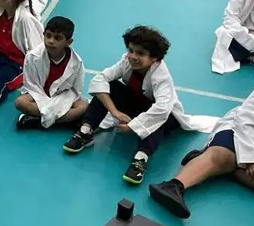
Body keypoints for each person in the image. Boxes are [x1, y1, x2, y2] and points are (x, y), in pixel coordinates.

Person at [149, 50, 254, 219]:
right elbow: (245, 118)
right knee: (221, 155)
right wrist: (251, 158)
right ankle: (173, 186)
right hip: (246, 134)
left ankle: (216, 165)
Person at [62, 26, 217, 185]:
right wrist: (114, 111)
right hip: (138, 105)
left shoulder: (161, 75)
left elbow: (162, 109)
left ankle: (140, 159)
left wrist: (133, 126)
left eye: (141, 53)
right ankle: (86, 131)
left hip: (166, 116)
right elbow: (100, 79)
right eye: (131, 50)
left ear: (154, 58)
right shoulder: (126, 61)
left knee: (159, 119)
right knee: (111, 85)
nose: (133, 57)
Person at [14, 16, 88, 130]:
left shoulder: (77, 63)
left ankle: (38, 120)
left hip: (62, 97)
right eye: (48, 35)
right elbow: (31, 86)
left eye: (57, 38)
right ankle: (60, 121)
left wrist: (56, 104)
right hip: (39, 94)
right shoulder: (32, 56)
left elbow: (75, 91)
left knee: (83, 105)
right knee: (20, 102)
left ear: (68, 42)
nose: (51, 41)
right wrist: (51, 107)